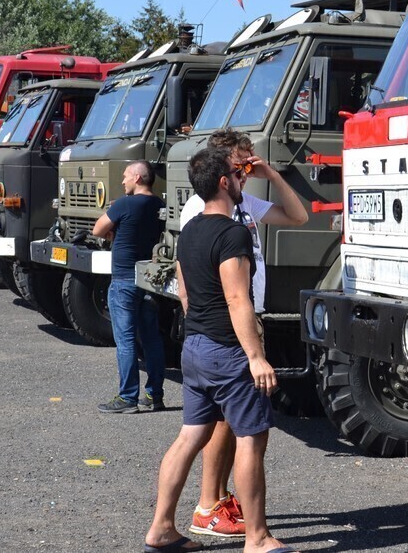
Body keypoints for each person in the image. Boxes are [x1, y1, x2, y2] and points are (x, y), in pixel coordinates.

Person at [143, 147, 297, 553]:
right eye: (238, 172)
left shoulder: (190, 229)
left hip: (194, 346)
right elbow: (237, 299)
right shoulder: (233, 234)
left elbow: (186, 292)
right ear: (224, 183)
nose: (244, 177)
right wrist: (255, 356)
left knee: (189, 436)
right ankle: (257, 538)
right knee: (250, 439)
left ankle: (160, 529)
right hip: (228, 350)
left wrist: (199, 331)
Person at [178, 129, 308, 538]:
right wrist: (208, 329)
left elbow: (299, 217)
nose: (247, 171)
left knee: (227, 424)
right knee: (228, 424)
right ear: (223, 169)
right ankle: (208, 504)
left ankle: (214, 503)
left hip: (245, 322)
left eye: (251, 163)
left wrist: (269, 171)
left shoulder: (245, 202)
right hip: (224, 329)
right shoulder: (201, 210)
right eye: (242, 165)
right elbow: (188, 280)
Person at [93, 160, 166, 414]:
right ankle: (154, 394)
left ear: (137, 177)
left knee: (125, 341)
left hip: (124, 279)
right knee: (151, 338)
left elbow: (98, 229)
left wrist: (115, 232)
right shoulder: (159, 205)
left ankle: (127, 398)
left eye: (125, 177)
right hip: (149, 280)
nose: (122, 181)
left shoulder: (124, 204)